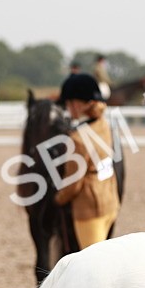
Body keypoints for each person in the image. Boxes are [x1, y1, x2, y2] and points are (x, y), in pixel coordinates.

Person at [53, 73, 119, 249]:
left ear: (76, 104)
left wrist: (58, 199)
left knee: (93, 261)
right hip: (110, 202)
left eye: (68, 104)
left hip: (89, 211)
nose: (67, 108)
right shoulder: (103, 124)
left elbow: (73, 183)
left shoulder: (78, 139)